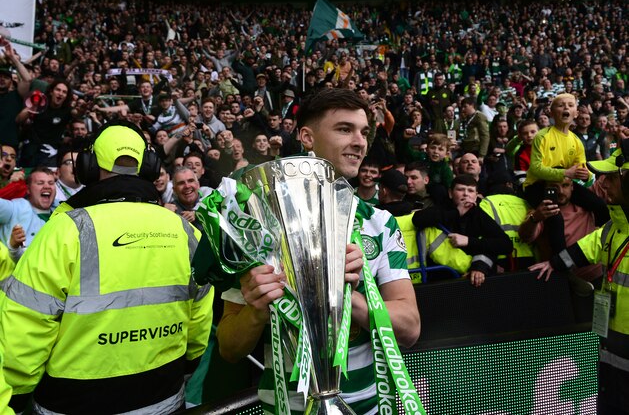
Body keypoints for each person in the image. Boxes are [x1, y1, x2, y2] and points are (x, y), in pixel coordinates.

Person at [216, 88, 420, 414]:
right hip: (286, 408)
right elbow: (229, 348)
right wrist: (257, 309)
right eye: (344, 129)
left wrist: (341, 292)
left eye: (364, 132)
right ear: (307, 137)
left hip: (368, 405)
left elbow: (410, 329)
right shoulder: (254, 222)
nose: (359, 141)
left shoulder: (379, 223)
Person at [0, 121, 214, 413]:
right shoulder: (187, 232)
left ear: (87, 167)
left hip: (70, 404)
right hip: (165, 400)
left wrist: (16, 398)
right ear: (149, 166)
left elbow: (25, 328)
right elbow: (198, 327)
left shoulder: (65, 230)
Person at [529, 145, 629, 414]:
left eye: (611, 177)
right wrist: (553, 263)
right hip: (611, 347)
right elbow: (585, 249)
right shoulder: (613, 227)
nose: (602, 183)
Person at [523, 93, 609, 254]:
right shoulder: (542, 136)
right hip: (538, 185)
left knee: (599, 206)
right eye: (561, 105)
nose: (566, 108)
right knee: (555, 218)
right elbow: (535, 169)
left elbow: (584, 169)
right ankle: (560, 263)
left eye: (570, 105)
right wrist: (565, 172)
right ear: (551, 112)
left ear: (576, 113)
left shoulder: (576, 141)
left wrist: (587, 175)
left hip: (564, 184)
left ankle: (605, 244)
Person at [412, 174, 513, 287]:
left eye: (470, 191)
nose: (466, 194)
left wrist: (468, 241)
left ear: (476, 196)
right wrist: (457, 212)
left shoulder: (479, 214)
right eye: (460, 189)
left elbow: (506, 244)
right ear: (450, 193)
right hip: (440, 278)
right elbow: (418, 219)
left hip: (472, 277)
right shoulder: (443, 208)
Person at [0, 167, 57, 262]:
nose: (47, 186)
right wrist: (8, 184)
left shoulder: (65, 210)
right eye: (40, 183)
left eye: (51, 183)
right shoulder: (14, 208)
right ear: (28, 189)